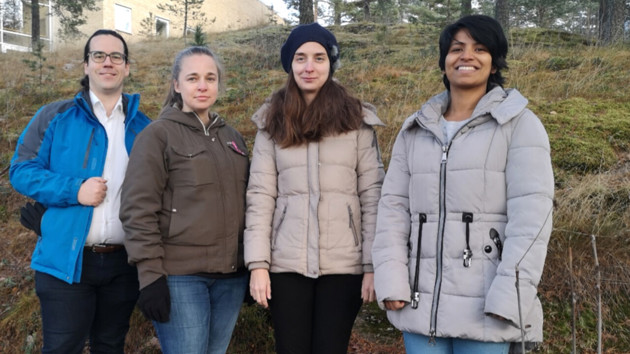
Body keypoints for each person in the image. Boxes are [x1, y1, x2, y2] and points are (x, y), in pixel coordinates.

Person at [372, 15, 554, 354]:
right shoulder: (415, 130)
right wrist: (391, 281)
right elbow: (393, 211)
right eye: (457, 49)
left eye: (480, 49)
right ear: (443, 63)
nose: (466, 56)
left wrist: (509, 297)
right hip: (419, 305)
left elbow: (532, 222)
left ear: (495, 62)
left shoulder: (520, 126)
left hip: (488, 311)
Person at [245, 23, 385, 354]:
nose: (309, 67)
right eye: (301, 58)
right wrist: (258, 266)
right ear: (289, 64)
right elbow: (260, 197)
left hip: (343, 267)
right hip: (286, 265)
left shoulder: (356, 120)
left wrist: (372, 266)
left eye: (319, 58)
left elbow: (373, 197)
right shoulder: (271, 122)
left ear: (330, 63)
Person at [9, 29, 151, 353]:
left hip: (123, 265)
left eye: (116, 56)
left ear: (127, 67)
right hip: (66, 262)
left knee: (110, 346)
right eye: (98, 55)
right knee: (63, 347)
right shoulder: (54, 116)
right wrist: (75, 190)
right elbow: (21, 171)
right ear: (86, 66)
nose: (107, 62)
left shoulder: (146, 128)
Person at [120, 46, 249, 354]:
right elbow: (138, 210)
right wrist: (150, 277)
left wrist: (250, 262)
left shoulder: (232, 138)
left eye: (210, 78)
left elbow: (247, 205)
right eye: (192, 78)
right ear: (177, 84)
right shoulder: (157, 136)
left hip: (230, 279)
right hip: (181, 278)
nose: (202, 86)